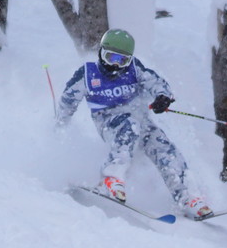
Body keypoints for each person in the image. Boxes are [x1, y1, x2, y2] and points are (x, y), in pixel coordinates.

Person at [56, 29, 213, 220]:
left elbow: (156, 83)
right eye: (110, 57)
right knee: (129, 125)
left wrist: (162, 97)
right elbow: (67, 101)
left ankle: (188, 197)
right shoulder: (88, 74)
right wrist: (60, 125)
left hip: (141, 120)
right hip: (109, 121)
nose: (115, 65)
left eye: (121, 60)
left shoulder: (134, 69)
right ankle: (111, 177)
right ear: (100, 52)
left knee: (163, 145)